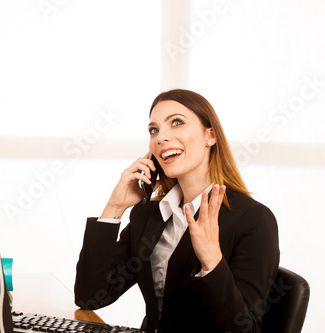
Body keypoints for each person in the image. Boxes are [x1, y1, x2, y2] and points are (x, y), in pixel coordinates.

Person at [74, 89, 280, 333]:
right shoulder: (148, 215)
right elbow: (90, 297)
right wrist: (114, 208)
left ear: (210, 136)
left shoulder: (253, 220)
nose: (161, 137)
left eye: (177, 123)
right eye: (154, 130)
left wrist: (212, 262)